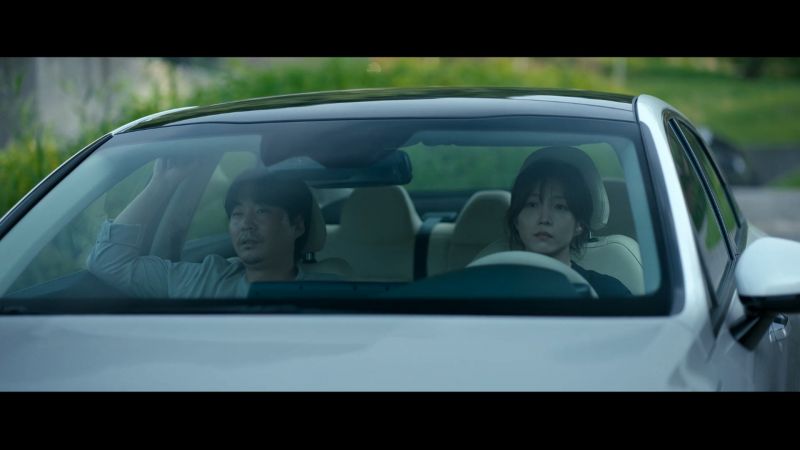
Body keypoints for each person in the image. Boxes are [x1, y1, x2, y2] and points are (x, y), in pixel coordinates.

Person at [87, 158, 339, 298]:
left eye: (262, 211)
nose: (246, 224)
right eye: (237, 214)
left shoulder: (329, 294)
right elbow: (109, 263)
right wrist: (161, 183)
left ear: (297, 225)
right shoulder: (204, 279)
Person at [506, 148, 631, 297]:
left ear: (579, 224)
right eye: (532, 204)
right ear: (516, 219)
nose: (544, 219)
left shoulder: (607, 293)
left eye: (559, 207)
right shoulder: (490, 287)